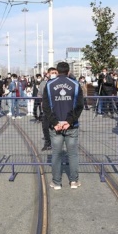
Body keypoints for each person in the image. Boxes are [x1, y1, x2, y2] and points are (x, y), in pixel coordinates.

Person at [42, 62, 84, 190]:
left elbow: (46, 106)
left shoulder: (49, 85)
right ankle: (74, 181)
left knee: (56, 154)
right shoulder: (75, 85)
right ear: (68, 71)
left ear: (57, 71)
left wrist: (55, 122)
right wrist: (69, 121)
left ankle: (56, 182)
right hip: (71, 125)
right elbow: (79, 106)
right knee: (72, 154)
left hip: (55, 126)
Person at [39, 68, 57, 150]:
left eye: (55, 73)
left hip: (57, 109)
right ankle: (47, 143)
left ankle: (57, 144)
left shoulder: (59, 82)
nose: (54, 74)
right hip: (47, 109)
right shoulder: (43, 83)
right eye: (52, 73)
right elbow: (39, 94)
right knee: (45, 127)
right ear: (48, 74)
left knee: (56, 127)